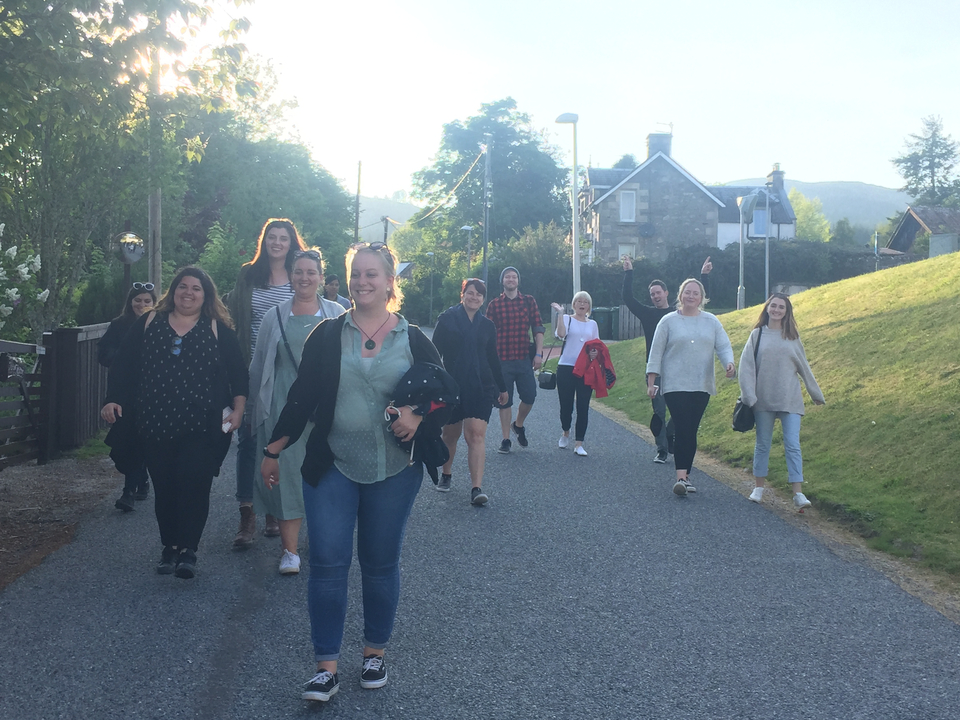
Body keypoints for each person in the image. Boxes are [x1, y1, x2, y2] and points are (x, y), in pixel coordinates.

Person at [261, 242, 444, 703]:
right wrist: (272, 449)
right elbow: (301, 396)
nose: (362, 282)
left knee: (380, 564)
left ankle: (374, 653)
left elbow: (446, 392)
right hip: (332, 465)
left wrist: (419, 414)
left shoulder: (413, 338)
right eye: (356, 274)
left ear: (389, 282)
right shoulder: (326, 335)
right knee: (327, 562)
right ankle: (325, 668)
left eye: (371, 274)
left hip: (395, 469)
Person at [101, 267, 248, 579]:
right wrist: (112, 399)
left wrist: (238, 409)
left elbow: (238, 371)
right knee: (166, 487)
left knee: (195, 484)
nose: (188, 293)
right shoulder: (149, 322)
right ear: (173, 291)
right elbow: (124, 364)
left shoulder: (216, 328)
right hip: (154, 423)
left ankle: (188, 550)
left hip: (202, 425)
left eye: (196, 288)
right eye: (183, 286)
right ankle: (170, 546)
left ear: (205, 295)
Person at [248, 249, 346, 575]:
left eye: (311, 272)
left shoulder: (338, 313)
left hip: (326, 407)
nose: (305, 277)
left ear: (321, 276)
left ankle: (320, 540)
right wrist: (252, 410)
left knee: (325, 474)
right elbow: (259, 365)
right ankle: (289, 551)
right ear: (291, 275)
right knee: (287, 476)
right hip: (283, 405)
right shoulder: (273, 317)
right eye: (299, 271)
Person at [225, 218, 306, 549]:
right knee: (248, 440)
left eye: (283, 238)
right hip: (251, 366)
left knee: (280, 439)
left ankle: (274, 508)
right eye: (272, 237)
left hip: (288, 370)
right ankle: (247, 513)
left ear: (291, 243)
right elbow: (232, 319)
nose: (277, 242)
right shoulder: (248, 275)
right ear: (264, 241)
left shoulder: (299, 274)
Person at [645, 278, 735, 497]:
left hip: (701, 384)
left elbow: (723, 346)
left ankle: (686, 476)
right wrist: (651, 381)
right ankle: (681, 478)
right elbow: (656, 352)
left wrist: (729, 363)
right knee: (683, 426)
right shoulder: (668, 321)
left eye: (695, 293)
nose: (691, 296)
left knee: (691, 429)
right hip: (675, 384)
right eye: (687, 292)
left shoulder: (711, 321)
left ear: (702, 297)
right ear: (680, 295)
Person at [738, 293, 825, 511]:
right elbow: (746, 367)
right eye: (774, 306)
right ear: (767, 308)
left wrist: (815, 393)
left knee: (793, 445)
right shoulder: (757, 335)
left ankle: (798, 493)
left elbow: (804, 366)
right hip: (763, 399)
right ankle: (758, 488)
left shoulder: (792, 337)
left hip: (790, 398)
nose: (777, 310)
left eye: (781, 307)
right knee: (763, 444)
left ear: (787, 312)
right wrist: (749, 396)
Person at [623, 255, 713, 463]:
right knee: (659, 411)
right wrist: (628, 273)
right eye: (652, 294)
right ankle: (662, 450)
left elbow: (701, 299)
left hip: (677, 369)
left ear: (666, 293)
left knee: (681, 408)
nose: (655, 296)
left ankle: (671, 433)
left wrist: (704, 276)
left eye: (658, 292)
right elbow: (628, 298)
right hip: (655, 371)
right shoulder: (647, 314)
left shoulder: (677, 313)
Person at [432, 278, 508, 505]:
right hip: (452, 385)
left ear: (483, 299)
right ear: (462, 294)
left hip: (481, 386)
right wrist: (433, 383)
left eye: (479, 294)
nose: (474, 297)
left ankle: (476, 488)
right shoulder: (447, 320)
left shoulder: (487, 326)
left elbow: (493, 358)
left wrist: (502, 387)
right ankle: (446, 474)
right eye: (471, 293)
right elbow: (434, 353)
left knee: (475, 434)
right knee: (450, 435)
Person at [98, 282, 156, 510]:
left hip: (151, 391)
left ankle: (129, 490)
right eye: (137, 300)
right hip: (124, 391)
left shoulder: (160, 325)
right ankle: (139, 478)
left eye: (147, 301)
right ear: (130, 302)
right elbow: (103, 353)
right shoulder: (119, 325)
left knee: (141, 438)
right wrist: (121, 358)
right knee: (126, 440)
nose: (142, 305)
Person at [484, 266, 544, 453]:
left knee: (530, 396)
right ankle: (505, 439)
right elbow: (486, 333)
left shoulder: (528, 301)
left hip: (523, 358)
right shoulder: (494, 305)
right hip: (501, 360)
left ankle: (518, 424)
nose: (511, 279)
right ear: (502, 281)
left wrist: (538, 354)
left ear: (518, 281)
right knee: (504, 400)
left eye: (514, 277)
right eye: (507, 277)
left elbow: (538, 328)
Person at [550, 292, 600, 456]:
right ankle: (566, 431)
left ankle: (579, 443)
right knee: (566, 406)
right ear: (574, 304)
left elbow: (596, 345)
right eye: (579, 301)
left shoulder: (593, 324)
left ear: (589, 306)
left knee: (583, 406)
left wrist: (594, 353)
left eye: (585, 302)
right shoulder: (567, 319)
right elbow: (561, 335)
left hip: (585, 369)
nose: (582, 304)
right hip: (566, 367)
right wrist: (560, 314)